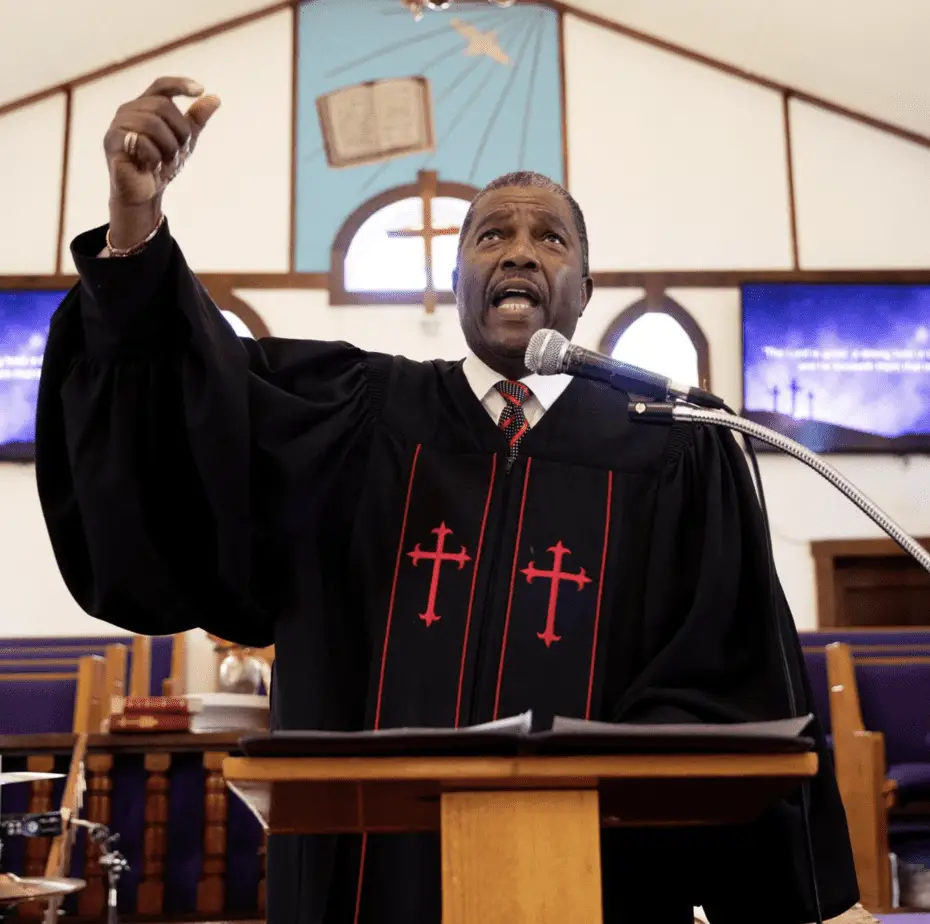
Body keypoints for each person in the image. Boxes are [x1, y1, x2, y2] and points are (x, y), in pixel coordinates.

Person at [36, 77, 859, 924]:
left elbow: (735, 684)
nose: (519, 251)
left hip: (590, 885)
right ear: (456, 274)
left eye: (550, 238)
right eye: (491, 233)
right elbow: (193, 393)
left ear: (583, 286)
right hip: (365, 888)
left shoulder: (676, 450)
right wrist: (135, 226)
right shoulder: (352, 420)